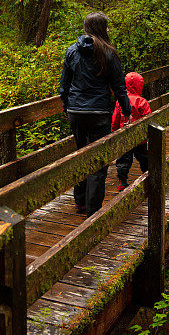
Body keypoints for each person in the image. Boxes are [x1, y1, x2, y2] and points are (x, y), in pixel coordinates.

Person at [59, 12, 132, 217]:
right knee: (98, 161)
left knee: (81, 154)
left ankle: (80, 202)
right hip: (99, 112)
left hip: (76, 111)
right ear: (101, 28)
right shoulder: (108, 53)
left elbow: (64, 84)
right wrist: (127, 111)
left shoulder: (72, 51)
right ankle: (93, 212)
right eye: (107, 27)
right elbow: (119, 87)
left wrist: (66, 107)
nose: (108, 30)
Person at [111, 72, 152, 191]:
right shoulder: (142, 102)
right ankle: (148, 175)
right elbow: (148, 120)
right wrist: (147, 136)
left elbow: (115, 119)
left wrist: (113, 132)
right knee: (144, 157)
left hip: (124, 137)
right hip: (140, 138)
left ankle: (122, 181)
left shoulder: (121, 101)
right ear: (140, 85)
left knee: (123, 160)